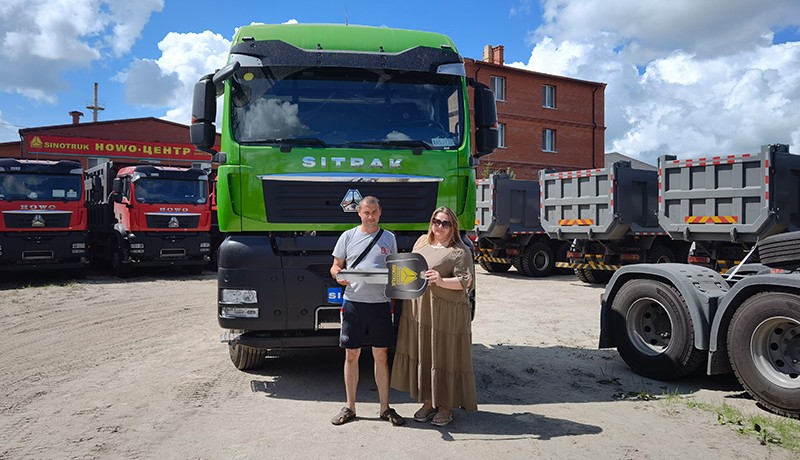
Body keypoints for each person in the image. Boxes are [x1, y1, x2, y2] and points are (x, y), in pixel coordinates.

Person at [390, 206, 477, 427]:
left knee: (445, 355)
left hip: (447, 312)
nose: (439, 226)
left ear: (453, 226)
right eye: (436, 221)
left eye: (445, 223)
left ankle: (446, 407)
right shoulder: (422, 242)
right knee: (427, 353)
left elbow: (466, 282)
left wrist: (440, 280)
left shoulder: (460, 251)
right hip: (422, 307)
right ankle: (429, 402)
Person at [329, 196, 405, 426]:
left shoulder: (389, 238)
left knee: (381, 356)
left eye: (374, 212)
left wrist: (396, 294)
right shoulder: (348, 236)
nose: (370, 216)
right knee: (351, 355)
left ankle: (385, 408)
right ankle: (350, 407)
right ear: (359, 213)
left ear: (380, 212)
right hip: (353, 302)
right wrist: (338, 276)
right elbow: (335, 266)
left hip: (380, 304)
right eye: (366, 212)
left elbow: (395, 270)